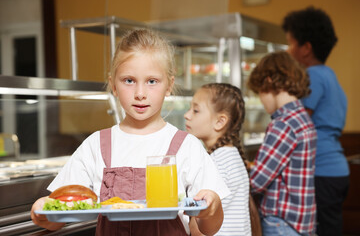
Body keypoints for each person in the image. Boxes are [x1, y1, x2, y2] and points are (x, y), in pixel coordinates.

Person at [30, 29, 231, 236]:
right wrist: (44, 212)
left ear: (169, 86)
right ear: (113, 86)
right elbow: (59, 215)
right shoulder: (96, 145)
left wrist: (211, 207)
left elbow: (210, 229)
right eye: (129, 81)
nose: (140, 94)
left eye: (152, 81)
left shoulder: (186, 146)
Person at [282, 7, 349, 236]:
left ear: (306, 48)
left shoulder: (313, 76)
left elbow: (297, 121)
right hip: (337, 169)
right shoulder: (330, 75)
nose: (289, 50)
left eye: (291, 44)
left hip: (320, 170)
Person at [248, 51, 317, 236]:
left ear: (269, 81)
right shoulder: (303, 118)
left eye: (260, 92)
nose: (261, 101)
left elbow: (257, 181)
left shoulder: (283, 124)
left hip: (281, 220)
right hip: (302, 218)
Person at [184, 83, 257, 236]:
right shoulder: (229, 154)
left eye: (195, 110)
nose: (187, 115)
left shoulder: (217, 161)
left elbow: (201, 218)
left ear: (220, 122)